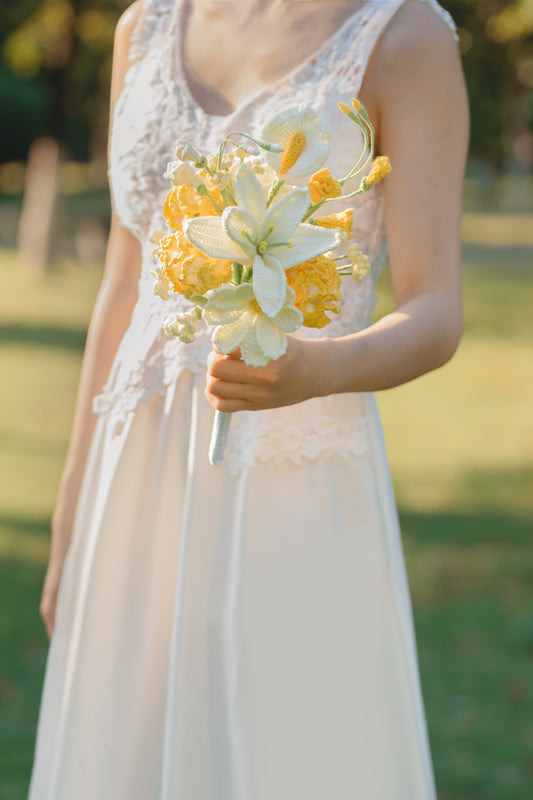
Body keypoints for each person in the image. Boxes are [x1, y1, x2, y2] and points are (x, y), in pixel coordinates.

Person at [29, 0, 469, 797]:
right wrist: (72, 512)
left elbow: (435, 309)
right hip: (135, 478)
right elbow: (123, 286)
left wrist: (320, 369)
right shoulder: (146, 26)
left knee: (283, 752)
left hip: (290, 471)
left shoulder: (403, 37)